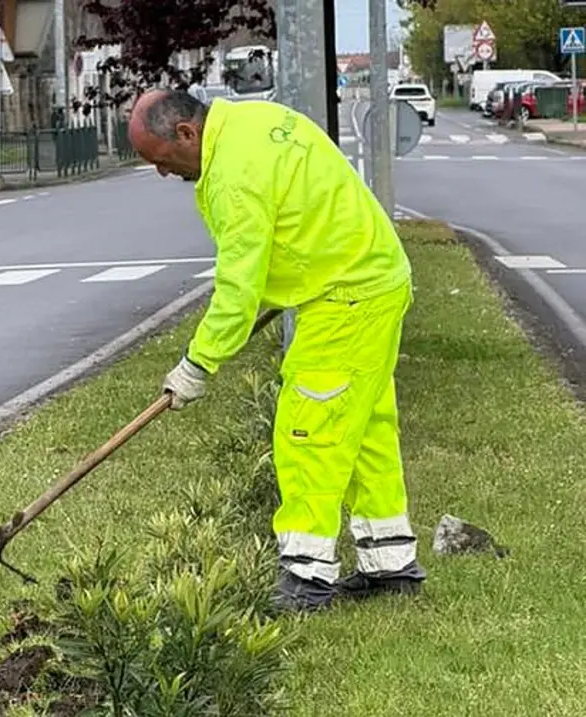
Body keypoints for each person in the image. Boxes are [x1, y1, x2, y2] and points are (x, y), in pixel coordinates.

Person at [127, 88, 427, 613]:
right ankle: (389, 564)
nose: (162, 173)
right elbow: (288, 228)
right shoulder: (254, 122)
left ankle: (308, 576)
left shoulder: (232, 176)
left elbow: (237, 288)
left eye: (161, 160)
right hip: (372, 279)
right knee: (364, 431)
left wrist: (197, 364)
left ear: (186, 134)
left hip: (346, 296)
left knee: (308, 430)